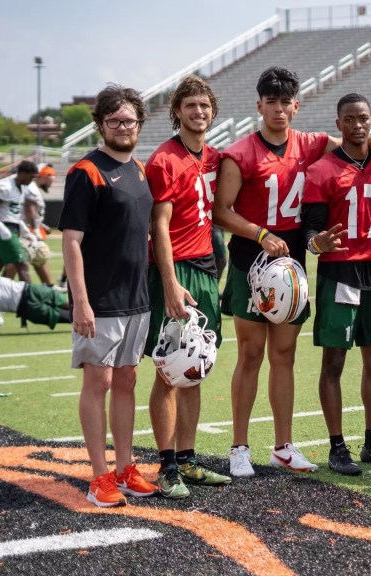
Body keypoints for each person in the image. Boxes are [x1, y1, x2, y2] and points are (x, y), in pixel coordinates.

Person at [212, 67, 371, 477]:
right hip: (250, 260)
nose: (279, 110)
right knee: (249, 354)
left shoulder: (311, 143)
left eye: (285, 103)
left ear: (297, 105)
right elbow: (221, 211)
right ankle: (239, 446)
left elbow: (364, 139)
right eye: (271, 102)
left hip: (293, 262)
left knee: (285, 356)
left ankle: (283, 445)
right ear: (259, 105)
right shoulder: (240, 152)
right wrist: (260, 234)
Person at [59, 84, 158, 508]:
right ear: (100, 125)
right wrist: (81, 301)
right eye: (114, 120)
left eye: (129, 120)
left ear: (139, 124)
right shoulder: (87, 171)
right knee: (97, 381)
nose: (122, 127)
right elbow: (71, 241)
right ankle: (99, 476)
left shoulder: (138, 169)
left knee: (127, 381)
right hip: (99, 299)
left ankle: (124, 468)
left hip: (137, 297)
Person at [302, 93, 371, 475]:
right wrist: (316, 244)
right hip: (339, 273)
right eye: (349, 119)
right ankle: (336, 447)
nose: (357, 125)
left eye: (363, 118)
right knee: (333, 361)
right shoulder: (321, 171)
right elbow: (310, 229)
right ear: (339, 125)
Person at [144, 75, 232, 499]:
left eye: (205, 106)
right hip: (175, 270)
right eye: (190, 106)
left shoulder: (215, 157)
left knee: (194, 371)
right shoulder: (164, 159)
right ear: (176, 112)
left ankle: (189, 460)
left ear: (213, 112)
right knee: (168, 372)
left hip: (205, 269)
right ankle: (166, 467)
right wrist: (170, 284)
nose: (199, 112)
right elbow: (158, 224)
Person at [0, 161, 37, 282]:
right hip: (5, 230)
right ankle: (29, 299)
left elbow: (13, 213)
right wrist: (0, 226)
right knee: (22, 265)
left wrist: (25, 230)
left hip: (12, 228)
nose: (32, 180)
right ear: (23, 173)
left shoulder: (21, 188)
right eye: (31, 177)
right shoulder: (6, 186)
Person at [23, 164, 55, 286]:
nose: (51, 184)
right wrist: (36, 229)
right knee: (19, 262)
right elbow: (29, 210)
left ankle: (49, 287)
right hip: (26, 231)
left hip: (30, 228)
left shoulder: (34, 188)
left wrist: (42, 225)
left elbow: (34, 213)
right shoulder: (32, 189)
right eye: (50, 180)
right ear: (44, 177)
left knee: (40, 258)